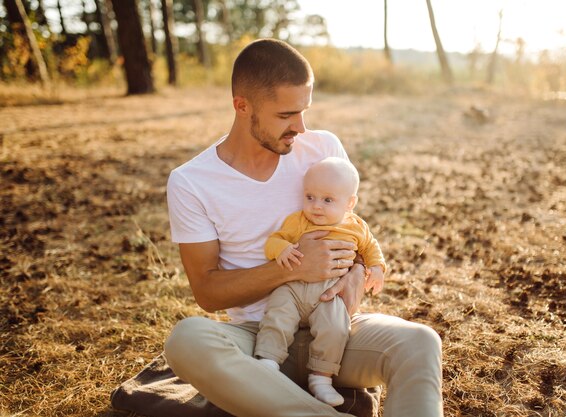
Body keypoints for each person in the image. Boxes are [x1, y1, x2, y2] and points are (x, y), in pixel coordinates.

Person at [164, 38, 443, 417]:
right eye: (285, 115)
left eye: (304, 110)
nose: (301, 127)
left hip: (334, 330)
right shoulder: (192, 182)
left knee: (420, 342)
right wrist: (293, 267)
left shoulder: (323, 148)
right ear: (242, 106)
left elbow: (355, 234)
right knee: (187, 340)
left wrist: (358, 273)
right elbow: (208, 292)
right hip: (254, 340)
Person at [256, 157, 386, 407]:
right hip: (293, 288)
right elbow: (274, 240)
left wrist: (377, 268)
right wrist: (281, 249)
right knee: (277, 314)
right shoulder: (297, 221)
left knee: (336, 328)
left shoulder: (357, 226)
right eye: (310, 197)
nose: (316, 206)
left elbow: (371, 249)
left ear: (350, 203)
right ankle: (268, 361)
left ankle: (321, 378)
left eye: (327, 200)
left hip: (329, 294)